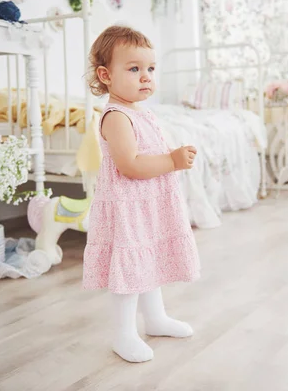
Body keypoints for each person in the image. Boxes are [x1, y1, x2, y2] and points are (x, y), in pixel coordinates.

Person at [83, 25, 200, 363]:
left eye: (150, 69)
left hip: (149, 205)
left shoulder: (142, 111)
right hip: (128, 209)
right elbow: (130, 165)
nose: (145, 76)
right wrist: (172, 160)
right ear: (105, 75)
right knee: (130, 269)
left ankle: (156, 318)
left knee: (147, 261)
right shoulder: (116, 117)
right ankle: (123, 334)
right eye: (134, 69)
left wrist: (173, 158)